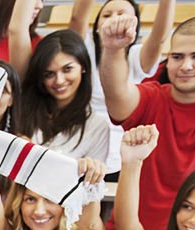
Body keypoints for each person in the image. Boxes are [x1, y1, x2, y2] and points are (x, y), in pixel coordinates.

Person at [99, 13, 195, 230]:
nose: (186, 66)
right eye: (177, 56)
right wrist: (113, 49)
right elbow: (117, 93)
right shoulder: (152, 97)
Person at [70, 0, 173, 173]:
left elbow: (159, 39)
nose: (114, 20)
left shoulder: (136, 55)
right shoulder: (85, 49)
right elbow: (76, 18)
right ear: (96, 26)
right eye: (107, 15)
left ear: (136, 25)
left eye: (122, 14)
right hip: (81, 153)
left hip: (120, 155)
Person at [15, 30, 111, 162]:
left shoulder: (97, 127)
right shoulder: (21, 111)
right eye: (49, 74)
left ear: (83, 67)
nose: (59, 80)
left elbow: (93, 182)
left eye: (67, 69)